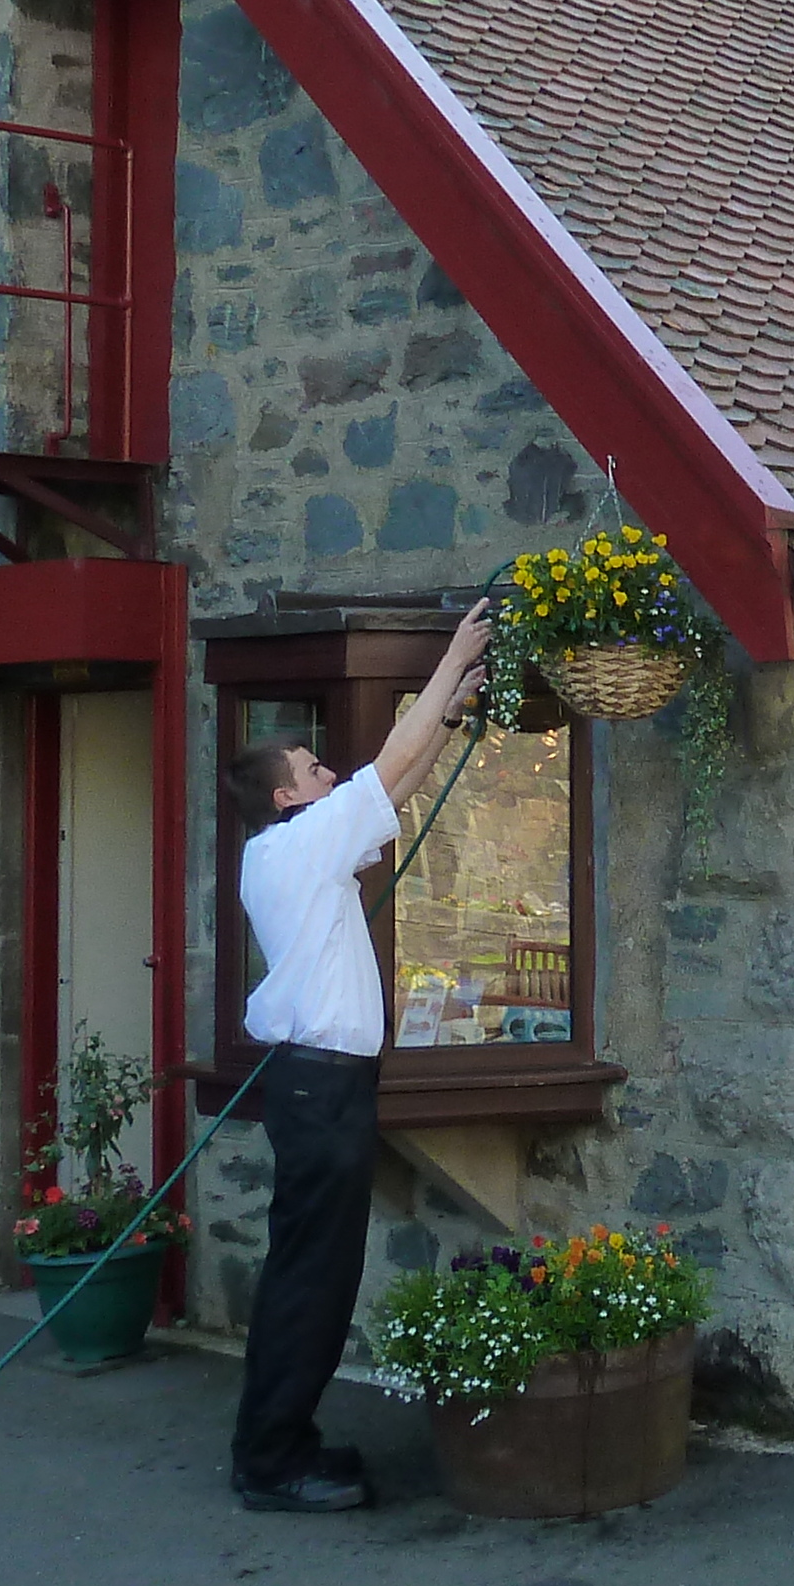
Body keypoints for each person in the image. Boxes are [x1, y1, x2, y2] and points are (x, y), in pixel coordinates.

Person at [218, 598, 494, 1512]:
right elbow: (387, 770)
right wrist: (453, 657)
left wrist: (448, 715)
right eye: (311, 765)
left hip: (322, 1086)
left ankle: (281, 1442)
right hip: (320, 1088)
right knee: (312, 1278)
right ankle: (270, 1461)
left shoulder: (295, 849)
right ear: (289, 794)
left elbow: (396, 782)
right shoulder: (296, 847)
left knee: (317, 1274)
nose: (326, 768)